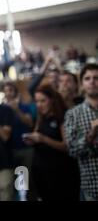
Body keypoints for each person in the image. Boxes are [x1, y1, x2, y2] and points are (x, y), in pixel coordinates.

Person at [24, 85, 80, 201]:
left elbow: (66, 146)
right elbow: (37, 136)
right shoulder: (40, 118)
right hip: (42, 172)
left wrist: (43, 139)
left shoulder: (62, 117)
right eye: (37, 101)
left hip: (61, 173)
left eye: (43, 101)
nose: (39, 104)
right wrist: (32, 140)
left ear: (52, 100)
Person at [65, 63, 98, 201]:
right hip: (92, 187)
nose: (92, 81)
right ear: (82, 85)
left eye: (96, 77)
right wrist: (92, 134)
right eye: (87, 78)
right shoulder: (73, 114)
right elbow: (72, 150)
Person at [2, 81, 36, 200]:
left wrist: (17, 110)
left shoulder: (23, 106)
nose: (8, 93)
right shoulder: (2, 109)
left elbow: (29, 122)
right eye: (6, 91)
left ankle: (31, 198)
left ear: (15, 92)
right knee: (13, 181)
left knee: (29, 179)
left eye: (10, 90)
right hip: (10, 149)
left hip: (26, 148)